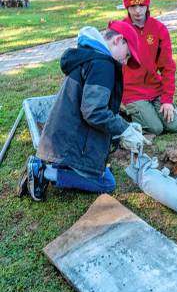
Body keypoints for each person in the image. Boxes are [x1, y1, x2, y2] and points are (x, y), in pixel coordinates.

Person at [17, 21, 149, 202]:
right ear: (119, 40)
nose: (125, 62)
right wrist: (123, 130)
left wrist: (125, 126)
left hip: (62, 135)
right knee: (107, 182)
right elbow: (93, 111)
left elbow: (95, 107)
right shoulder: (104, 66)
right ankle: (45, 172)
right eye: (127, 56)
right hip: (69, 142)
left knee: (104, 170)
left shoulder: (90, 56)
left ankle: (50, 165)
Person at [121, 0, 177, 136]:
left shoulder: (159, 29)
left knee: (173, 126)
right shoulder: (121, 31)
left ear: (147, 3)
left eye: (141, 5)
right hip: (132, 91)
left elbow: (168, 67)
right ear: (127, 6)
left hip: (155, 88)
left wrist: (167, 100)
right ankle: (126, 112)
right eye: (133, 6)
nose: (138, 11)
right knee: (156, 128)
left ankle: (154, 110)